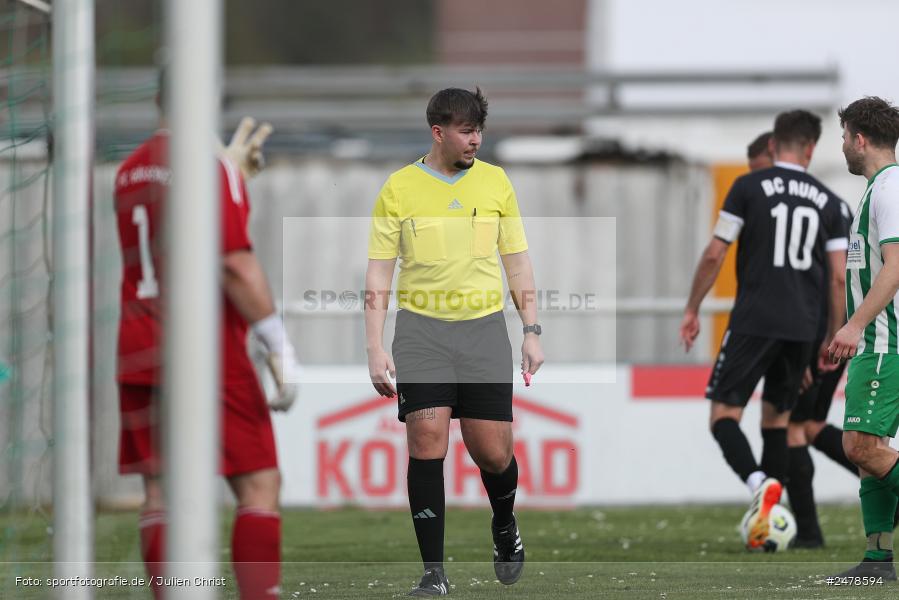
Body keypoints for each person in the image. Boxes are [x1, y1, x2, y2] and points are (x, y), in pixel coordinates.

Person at [114, 72, 301, 599]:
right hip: (205, 349)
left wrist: (234, 185)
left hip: (138, 344)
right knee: (259, 484)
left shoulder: (128, 170)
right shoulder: (207, 166)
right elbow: (233, 263)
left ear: (157, 99)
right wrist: (277, 343)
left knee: (160, 491)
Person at [364, 87, 544, 596]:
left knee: (492, 453)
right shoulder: (398, 188)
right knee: (426, 440)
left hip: (484, 331)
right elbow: (378, 274)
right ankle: (433, 573)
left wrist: (531, 329)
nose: (476, 140)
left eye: (480, 130)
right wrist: (374, 346)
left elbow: (517, 261)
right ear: (438, 132)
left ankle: (504, 525)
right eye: (467, 131)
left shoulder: (496, 183)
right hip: (421, 333)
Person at [679, 110, 848, 549]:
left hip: (754, 320)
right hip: (803, 329)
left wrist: (693, 307)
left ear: (774, 145)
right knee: (779, 422)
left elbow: (716, 253)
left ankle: (759, 484)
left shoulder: (748, 187)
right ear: (810, 148)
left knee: (723, 417)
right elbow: (836, 278)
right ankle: (772, 524)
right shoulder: (828, 201)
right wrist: (831, 337)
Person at [828, 95, 899, 579]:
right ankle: (877, 559)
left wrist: (855, 326)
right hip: (875, 340)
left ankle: (877, 559)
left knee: (860, 448)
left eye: (843, 137)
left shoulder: (890, 189)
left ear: (860, 138)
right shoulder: (877, 189)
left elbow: (895, 268)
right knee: (867, 448)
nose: (843, 148)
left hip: (883, 342)